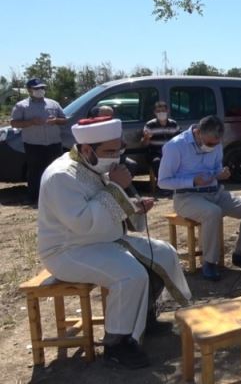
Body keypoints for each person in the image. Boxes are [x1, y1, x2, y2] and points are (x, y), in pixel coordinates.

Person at [37, 116, 191, 369]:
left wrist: (134, 208)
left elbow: (108, 205)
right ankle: (116, 344)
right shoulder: (60, 176)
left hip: (103, 239)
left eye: (119, 148)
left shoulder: (94, 165)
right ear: (87, 149)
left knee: (162, 252)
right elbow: (84, 222)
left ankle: (144, 317)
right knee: (130, 275)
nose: (117, 156)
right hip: (68, 250)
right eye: (110, 151)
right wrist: (117, 188)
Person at [158, 115, 241, 281]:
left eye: (217, 143)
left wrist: (221, 173)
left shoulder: (216, 143)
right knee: (212, 212)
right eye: (210, 143)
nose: (213, 146)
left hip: (215, 192)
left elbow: (216, 168)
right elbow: (162, 182)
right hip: (186, 196)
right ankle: (209, 262)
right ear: (198, 132)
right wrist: (191, 181)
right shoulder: (176, 146)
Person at [10, 78, 67, 205]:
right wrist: (31, 122)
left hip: (54, 144)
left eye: (42, 88)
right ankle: (33, 197)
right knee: (34, 172)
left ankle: (57, 197)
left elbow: (64, 120)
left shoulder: (53, 104)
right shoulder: (21, 106)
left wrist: (56, 120)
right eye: (37, 89)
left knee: (56, 170)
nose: (40, 91)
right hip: (34, 145)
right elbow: (14, 123)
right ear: (29, 90)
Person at [141, 101, 181, 194]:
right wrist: (146, 138)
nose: (161, 113)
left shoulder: (174, 124)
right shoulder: (149, 125)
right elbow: (144, 144)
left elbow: (180, 140)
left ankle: (178, 184)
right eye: (158, 111)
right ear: (155, 113)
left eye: (163, 110)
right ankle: (164, 186)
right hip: (155, 152)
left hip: (170, 152)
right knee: (157, 161)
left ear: (167, 111)